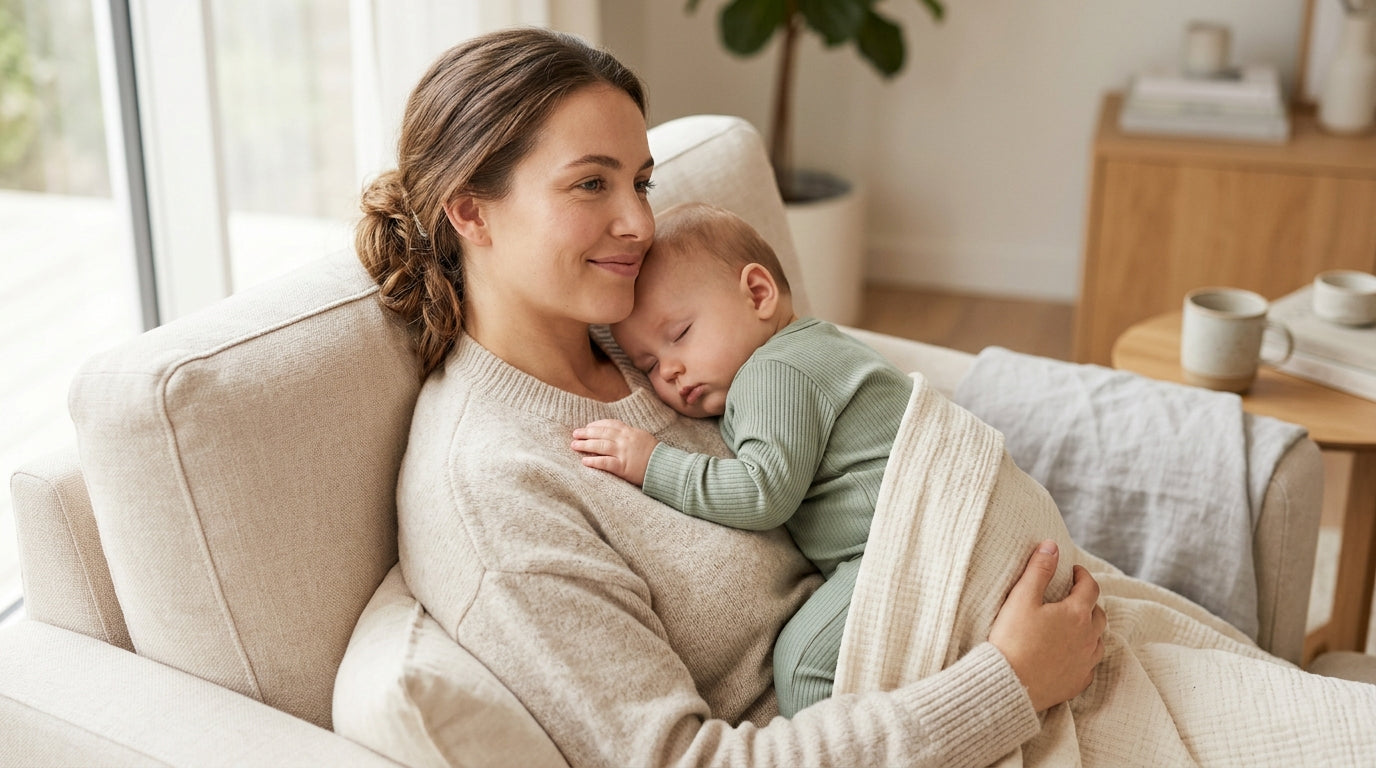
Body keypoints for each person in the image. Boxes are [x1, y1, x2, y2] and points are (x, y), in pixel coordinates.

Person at [356, 26, 1105, 767]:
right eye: (592, 183)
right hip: (956, 709)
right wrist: (1008, 683)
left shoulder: (634, 328)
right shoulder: (491, 488)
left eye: (640, 182)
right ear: (471, 211)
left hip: (996, 624)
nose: (640, 223)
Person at [571, 201, 909, 716]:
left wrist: (651, 462)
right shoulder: (814, 344)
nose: (671, 372)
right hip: (895, 540)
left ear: (757, 293)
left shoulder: (773, 373)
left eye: (680, 335)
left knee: (801, 665)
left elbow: (761, 494)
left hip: (901, 547)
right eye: (649, 365)